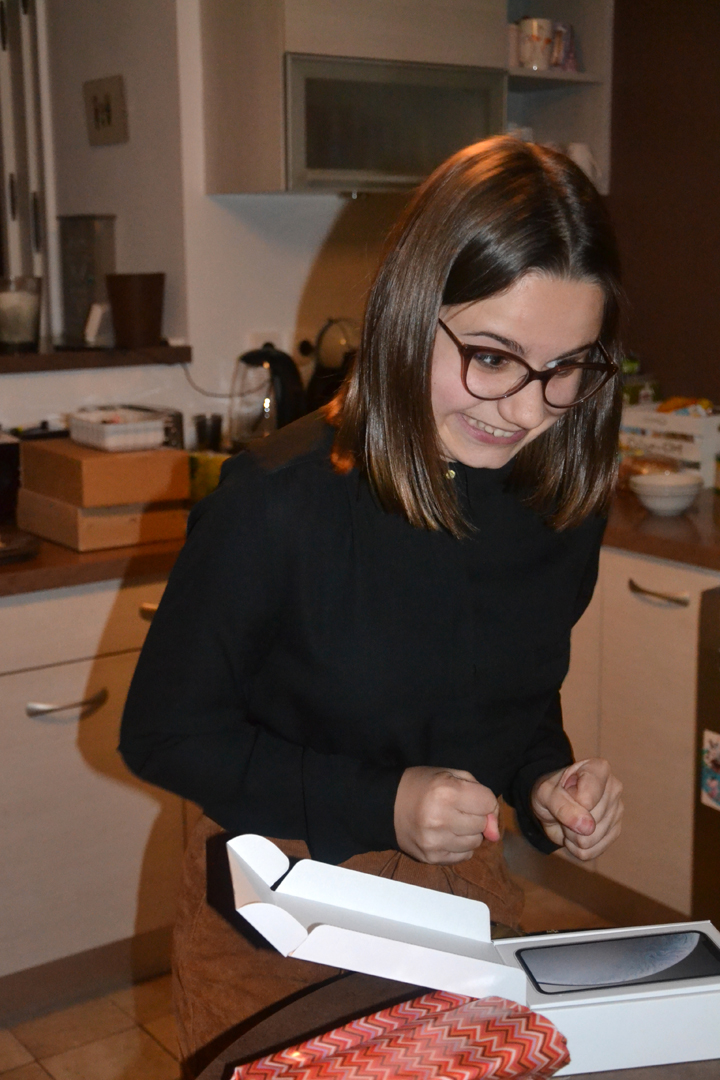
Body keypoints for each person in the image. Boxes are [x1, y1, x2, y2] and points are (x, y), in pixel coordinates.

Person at [120, 135, 624, 1077]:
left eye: (569, 369)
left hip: (460, 899)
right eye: (492, 357)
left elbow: (507, 691)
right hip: (281, 919)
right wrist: (383, 802)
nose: (526, 410)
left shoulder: (559, 500)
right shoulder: (276, 500)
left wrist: (543, 779)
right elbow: (163, 734)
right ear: (408, 312)